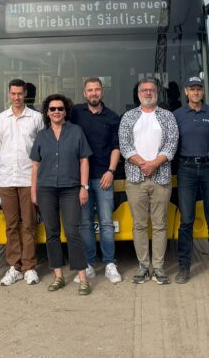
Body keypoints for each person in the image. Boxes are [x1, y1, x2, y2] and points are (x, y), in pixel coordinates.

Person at [118, 78, 179, 285]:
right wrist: (143, 163)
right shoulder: (129, 117)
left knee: (161, 225)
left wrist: (154, 164)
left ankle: (159, 268)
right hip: (135, 179)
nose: (147, 93)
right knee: (139, 225)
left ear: (157, 93)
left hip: (161, 178)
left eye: (151, 90)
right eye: (144, 90)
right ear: (138, 94)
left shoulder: (168, 116)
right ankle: (144, 266)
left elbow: (172, 144)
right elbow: (125, 146)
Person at [30, 93, 93, 295]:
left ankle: (83, 278)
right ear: (47, 113)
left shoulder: (76, 132)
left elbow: (84, 159)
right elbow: (35, 165)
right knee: (52, 233)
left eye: (60, 108)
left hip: (70, 189)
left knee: (73, 232)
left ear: (66, 112)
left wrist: (84, 187)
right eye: (52, 109)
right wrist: (33, 191)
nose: (56, 112)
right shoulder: (41, 136)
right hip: (46, 189)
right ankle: (58, 276)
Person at [69, 77, 122, 284]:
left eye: (97, 89)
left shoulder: (112, 117)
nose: (93, 93)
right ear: (84, 93)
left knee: (107, 223)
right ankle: (89, 264)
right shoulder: (74, 114)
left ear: (102, 92)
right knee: (85, 224)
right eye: (90, 90)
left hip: (103, 177)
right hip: (79, 179)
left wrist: (111, 171)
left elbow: (116, 147)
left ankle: (110, 263)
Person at [173, 75, 209, 284]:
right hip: (186, 169)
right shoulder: (176, 115)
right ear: (186, 92)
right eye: (192, 89)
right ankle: (184, 266)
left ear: (202, 92)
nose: (195, 92)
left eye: (198, 89)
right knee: (186, 220)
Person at [0, 79, 44, 286]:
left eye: (20, 94)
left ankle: (29, 267)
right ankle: (14, 266)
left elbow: (41, 148)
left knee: (29, 225)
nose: (16, 97)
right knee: (11, 225)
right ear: (9, 94)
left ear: (25, 95)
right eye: (13, 94)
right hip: (6, 179)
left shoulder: (36, 118)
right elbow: (0, 146)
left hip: (28, 179)